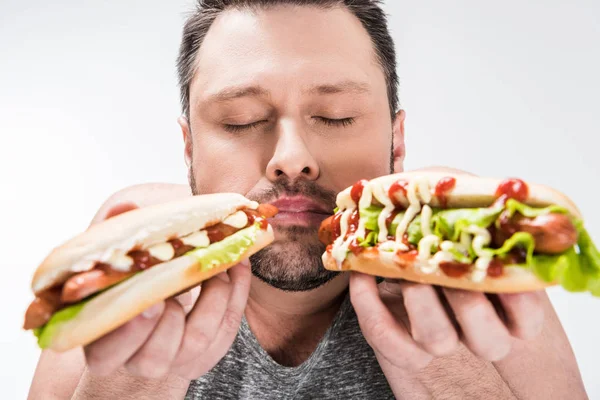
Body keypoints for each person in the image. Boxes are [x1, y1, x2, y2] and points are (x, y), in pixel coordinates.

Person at [28, 1, 588, 399]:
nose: (291, 157)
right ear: (188, 146)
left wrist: (444, 373)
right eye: (241, 120)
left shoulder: (469, 255)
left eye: (335, 116)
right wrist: (134, 384)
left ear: (397, 142)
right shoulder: (129, 258)